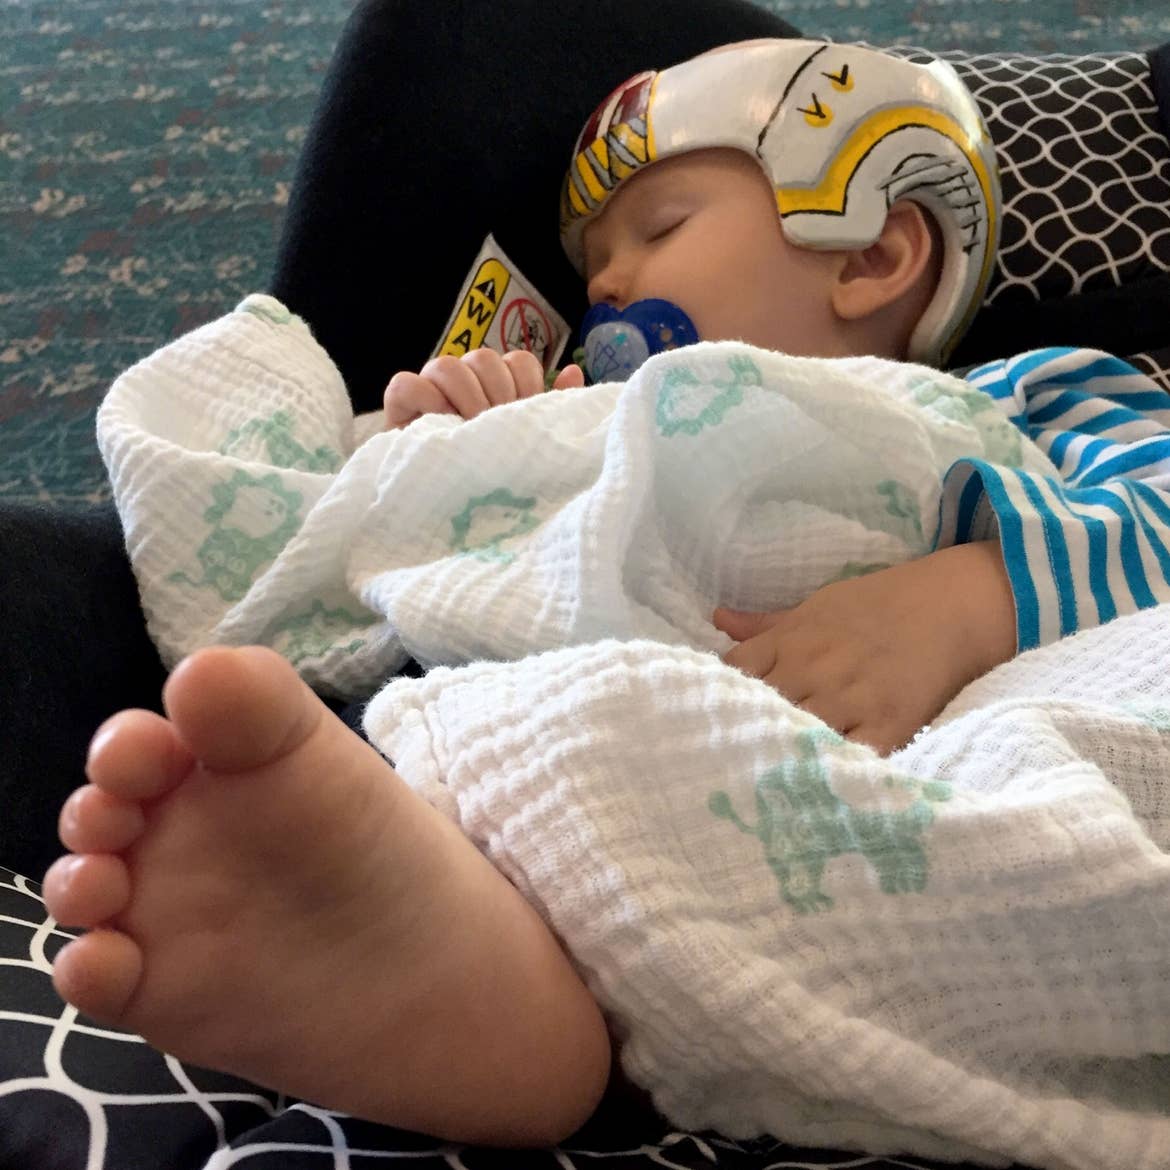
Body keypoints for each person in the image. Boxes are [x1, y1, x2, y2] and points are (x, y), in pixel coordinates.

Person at [37, 37, 1170, 1151]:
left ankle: (530, 1022)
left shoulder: (1029, 398)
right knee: (553, 726)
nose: (611, 284)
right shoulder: (579, 410)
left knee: (1039, 795)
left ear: (871, 254)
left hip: (930, 761)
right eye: (592, 274)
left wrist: (967, 597)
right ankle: (490, 989)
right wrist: (456, 460)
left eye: (662, 229)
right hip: (652, 741)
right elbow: (441, 588)